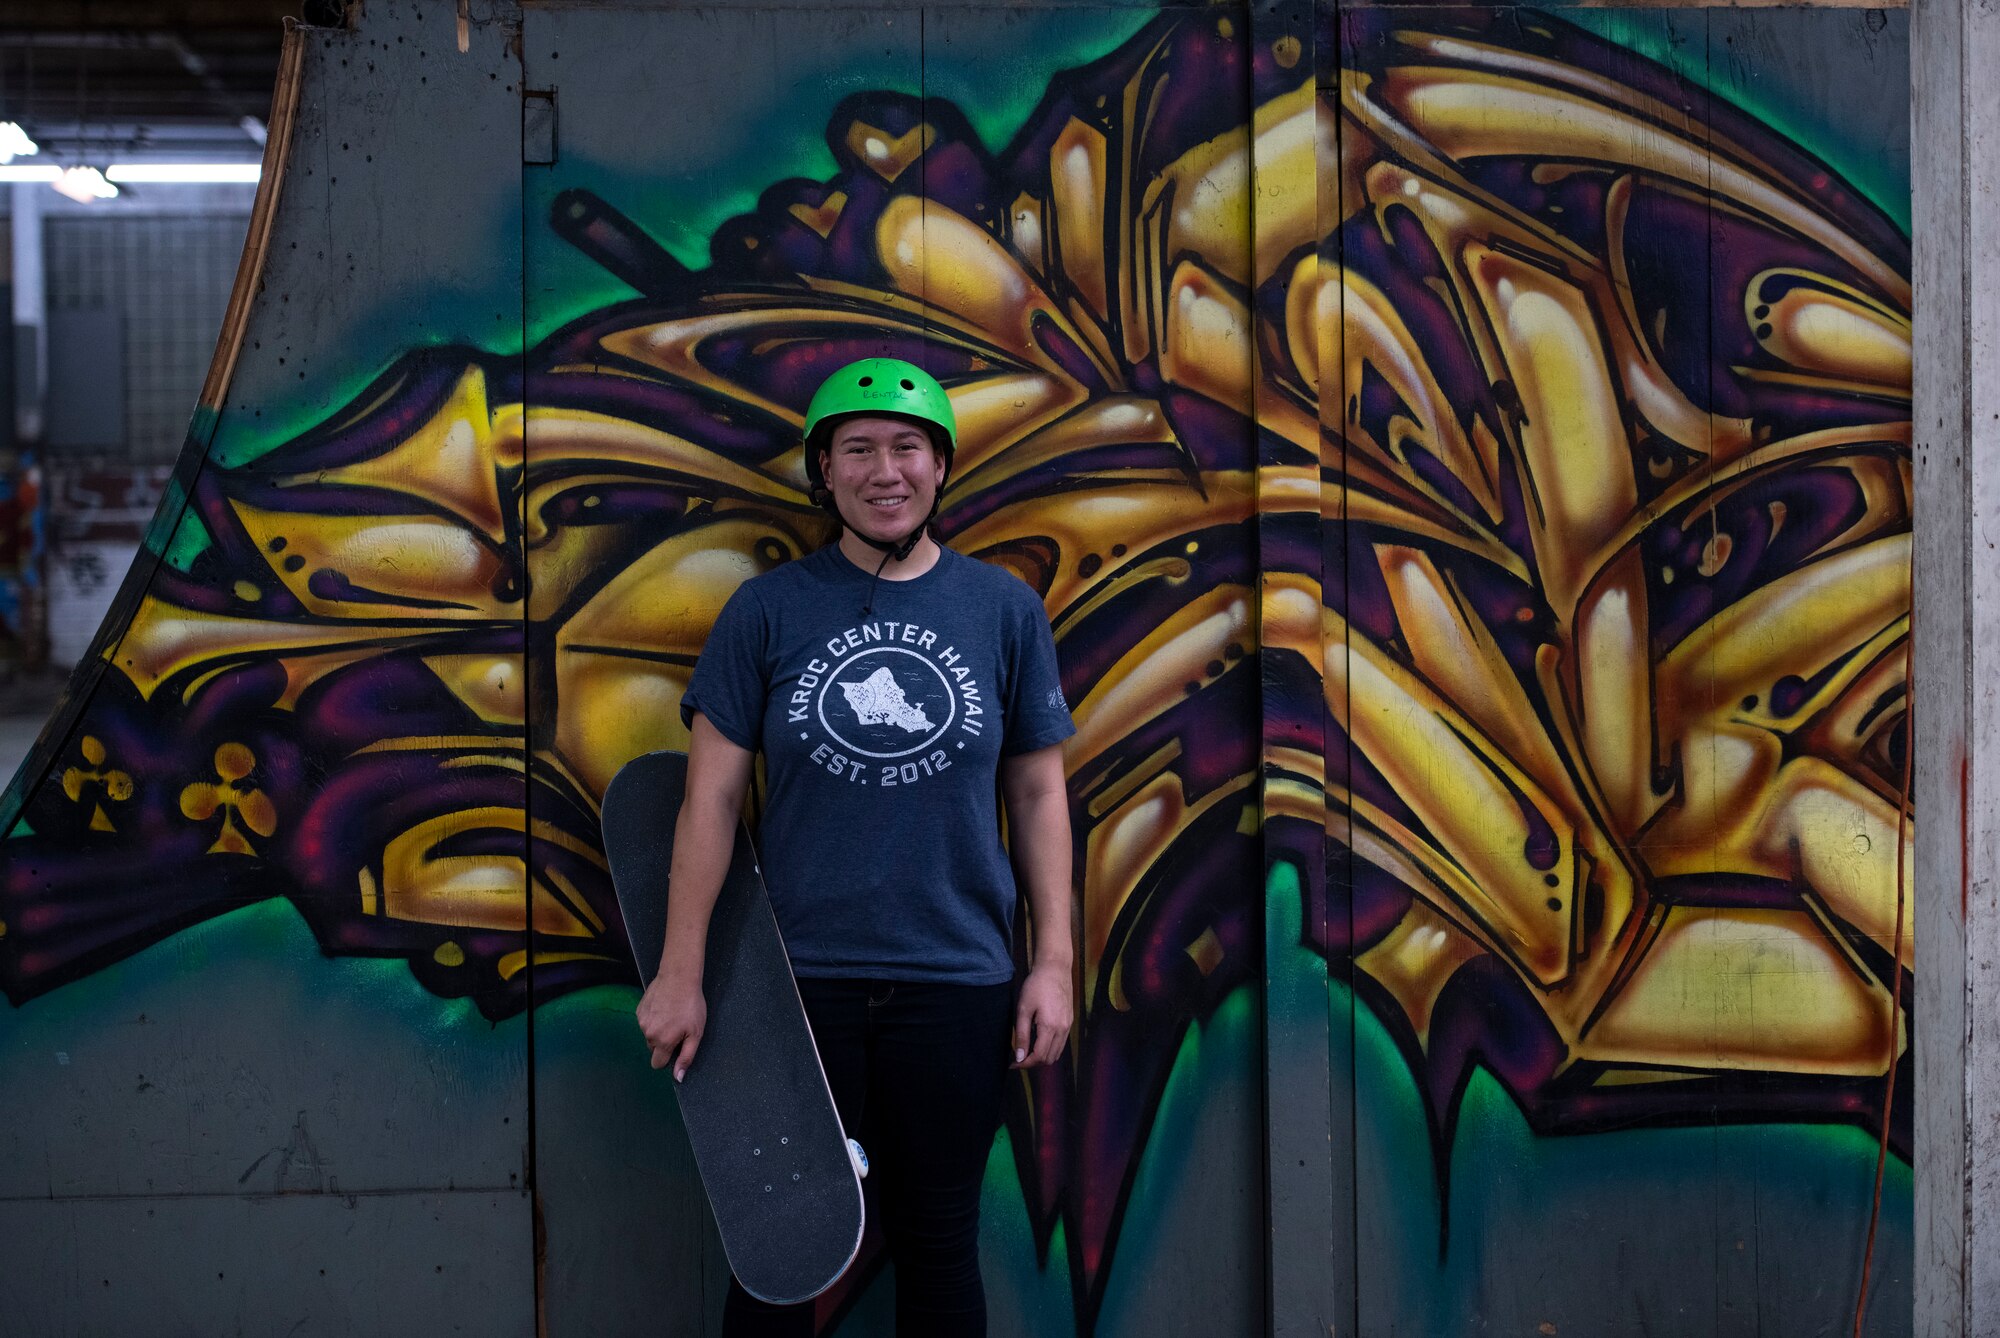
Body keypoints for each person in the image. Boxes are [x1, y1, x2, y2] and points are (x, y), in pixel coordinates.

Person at [635, 357, 1076, 1337]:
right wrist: (680, 973)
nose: (886, 471)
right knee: (781, 1256)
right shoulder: (767, 611)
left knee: (936, 1244)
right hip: (796, 992)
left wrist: (1051, 964)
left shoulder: (1001, 611)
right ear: (821, 471)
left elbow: (1039, 793)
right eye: (859, 450)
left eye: (907, 449)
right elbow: (708, 801)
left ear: (941, 467)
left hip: (956, 981)